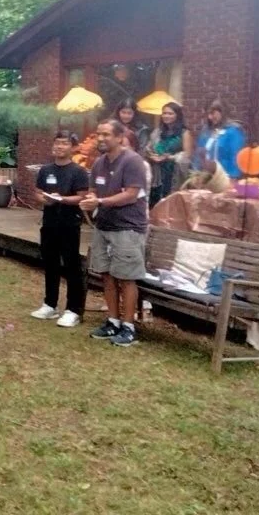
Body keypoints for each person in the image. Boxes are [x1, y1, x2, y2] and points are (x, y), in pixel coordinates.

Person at [80, 119, 149, 347]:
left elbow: (131, 194)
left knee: (127, 278)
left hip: (128, 228)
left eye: (106, 135)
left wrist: (100, 201)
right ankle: (113, 321)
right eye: (99, 134)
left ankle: (129, 327)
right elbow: (92, 192)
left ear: (120, 137)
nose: (101, 139)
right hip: (104, 227)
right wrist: (89, 202)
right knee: (106, 275)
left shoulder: (132, 161)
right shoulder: (99, 163)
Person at [30, 131, 90, 327]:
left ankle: (73, 309)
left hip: (70, 224)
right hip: (49, 223)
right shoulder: (46, 170)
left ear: (73, 147)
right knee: (50, 263)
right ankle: (50, 304)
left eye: (64, 144)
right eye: (57, 143)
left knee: (72, 266)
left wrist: (62, 199)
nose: (59, 147)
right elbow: (38, 193)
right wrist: (45, 201)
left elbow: (82, 197)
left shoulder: (78, 172)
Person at [144, 102, 193, 207]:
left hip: (174, 172)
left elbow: (187, 155)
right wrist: (151, 155)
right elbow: (148, 148)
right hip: (157, 173)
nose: (166, 116)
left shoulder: (184, 133)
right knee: (155, 203)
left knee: (171, 204)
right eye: (164, 113)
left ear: (177, 115)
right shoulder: (158, 132)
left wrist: (168, 157)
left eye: (170, 114)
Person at [193, 96, 246, 179]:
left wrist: (232, 177)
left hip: (225, 177)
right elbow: (198, 155)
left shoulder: (233, 131)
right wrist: (196, 173)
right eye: (208, 114)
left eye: (212, 113)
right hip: (205, 177)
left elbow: (236, 158)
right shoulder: (206, 131)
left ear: (222, 112)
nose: (209, 117)